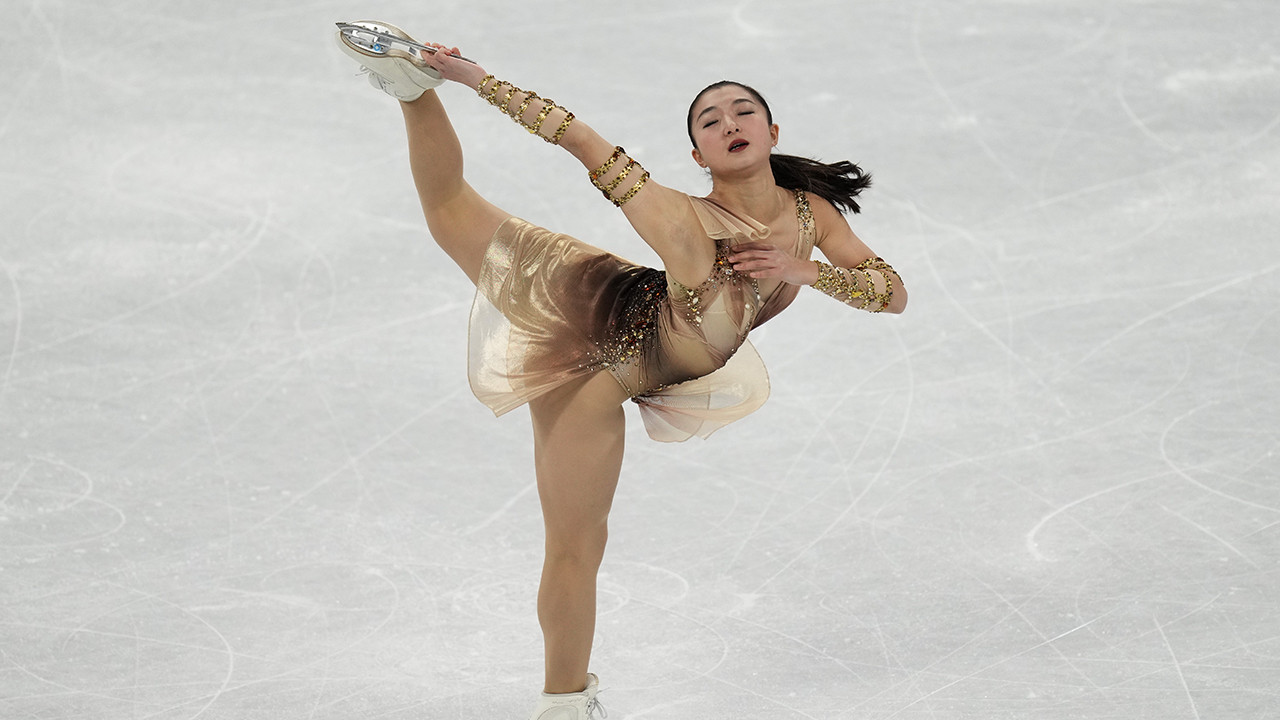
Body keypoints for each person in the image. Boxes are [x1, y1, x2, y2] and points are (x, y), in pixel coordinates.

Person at [335, 20, 906, 720]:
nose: (730, 122)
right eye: (710, 119)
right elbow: (575, 136)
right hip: (595, 359)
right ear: (696, 151)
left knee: (582, 541)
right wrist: (468, 75)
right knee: (577, 542)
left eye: (742, 111)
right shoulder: (678, 217)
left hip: (642, 318)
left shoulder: (810, 216)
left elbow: (892, 293)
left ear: (772, 129)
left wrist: (805, 270)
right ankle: (565, 703)